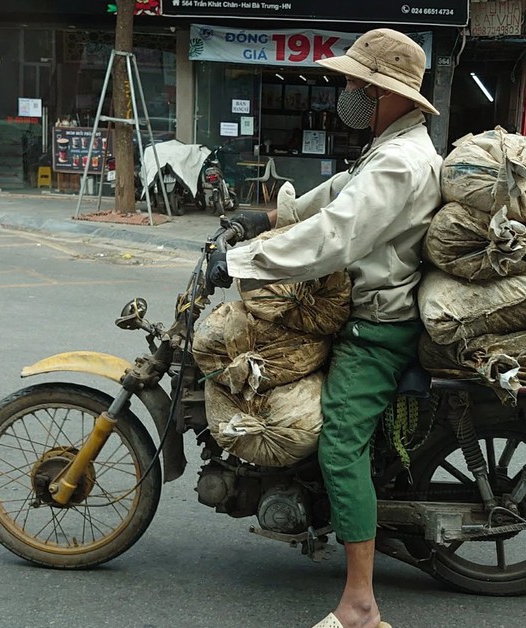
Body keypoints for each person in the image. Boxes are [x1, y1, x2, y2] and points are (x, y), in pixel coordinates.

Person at [206, 28, 442, 628]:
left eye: (356, 85)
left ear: (388, 93)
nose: (348, 94)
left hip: (377, 326)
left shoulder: (399, 161)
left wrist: (243, 262)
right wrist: (271, 215)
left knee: (339, 444)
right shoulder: (392, 149)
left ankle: (360, 604)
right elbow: (337, 196)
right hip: (360, 310)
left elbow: (338, 234)